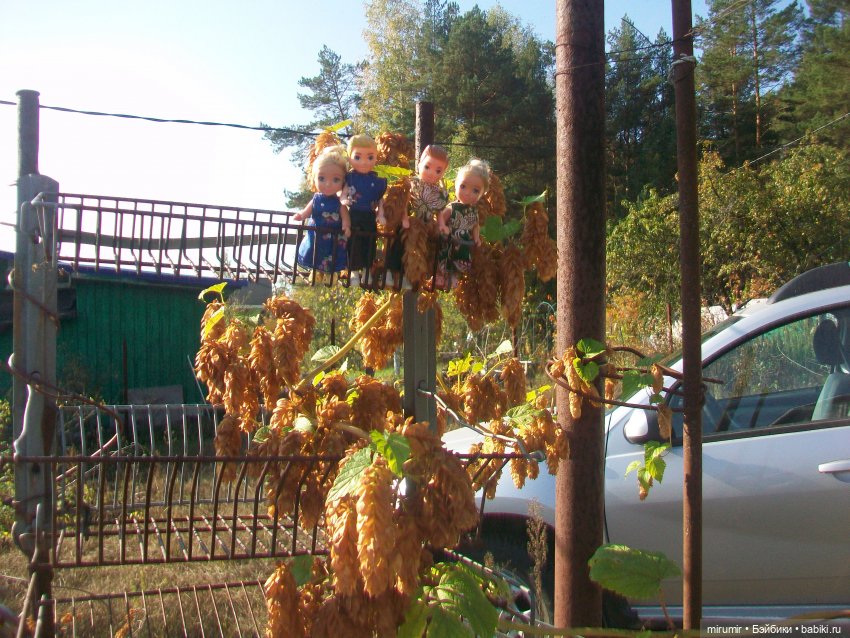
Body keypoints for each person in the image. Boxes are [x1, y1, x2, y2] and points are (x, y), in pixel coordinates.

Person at [386, 145, 450, 282]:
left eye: (438, 171)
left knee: (431, 246)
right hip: (411, 221)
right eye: (427, 167)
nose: (432, 173)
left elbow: (439, 212)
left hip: (427, 224)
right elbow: (405, 203)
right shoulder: (413, 184)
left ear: (443, 172)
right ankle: (393, 271)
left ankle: (425, 275)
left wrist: (442, 225)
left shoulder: (439, 192)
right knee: (402, 243)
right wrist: (404, 218)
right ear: (419, 164)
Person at [293, 146, 350, 275]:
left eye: (336, 179)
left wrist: (346, 227)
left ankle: (328, 273)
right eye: (322, 178)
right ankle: (316, 271)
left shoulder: (340, 203)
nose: (328, 184)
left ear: (343, 181)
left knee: (333, 255)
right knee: (315, 251)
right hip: (316, 235)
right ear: (314, 178)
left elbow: (345, 217)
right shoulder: (316, 199)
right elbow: (306, 212)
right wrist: (301, 215)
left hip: (334, 238)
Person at [436, 158, 488, 289]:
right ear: (456, 184)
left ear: (482, 194)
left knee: (461, 258)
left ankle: (453, 276)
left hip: (464, 241)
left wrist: (476, 238)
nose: (467, 193)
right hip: (450, 238)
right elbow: (441, 217)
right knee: (445, 255)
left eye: (475, 191)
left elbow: (475, 225)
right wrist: (442, 227)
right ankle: (440, 275)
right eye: (463, 186)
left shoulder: (473, 211)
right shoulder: (452, 207)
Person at [344, 134, 387, 285]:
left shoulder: (377, 180)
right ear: (349, 158)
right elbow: (342, 192)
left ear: (376, 158)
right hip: (354, 214)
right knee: (353, 242)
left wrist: (380, 214)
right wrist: (343, 199)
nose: (364, 162)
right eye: (358, 157)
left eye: (370, 157)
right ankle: (354, 272)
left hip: (369, 215)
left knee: (370, 243)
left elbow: (380, 198)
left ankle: (367, 272)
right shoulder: (349, 177)